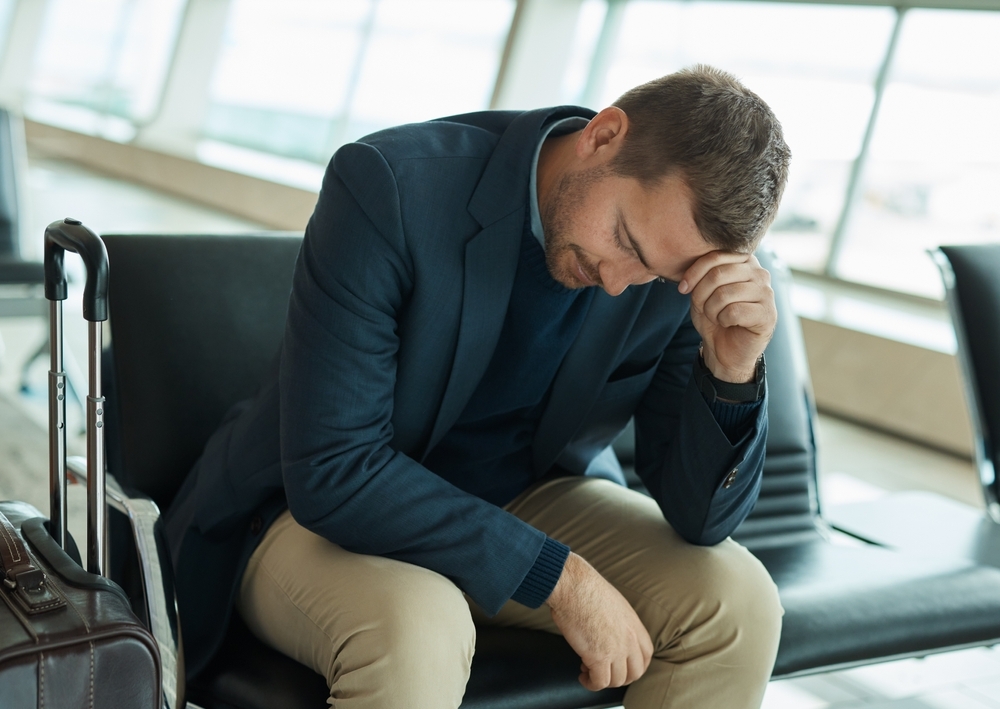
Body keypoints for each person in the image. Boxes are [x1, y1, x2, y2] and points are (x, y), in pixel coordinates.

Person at [165, 64, 791, 708]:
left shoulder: (670, 270)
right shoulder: (389, 185)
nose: (617, 282)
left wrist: (732, 368)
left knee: (738, 604)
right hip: (308, 514)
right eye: (622, 239)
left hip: (522, 497)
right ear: (604, 135)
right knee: (419, 627)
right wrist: (559, 577)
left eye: (653, 274)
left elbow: (700, 518)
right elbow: (334, 470)